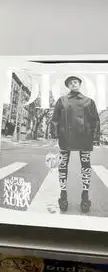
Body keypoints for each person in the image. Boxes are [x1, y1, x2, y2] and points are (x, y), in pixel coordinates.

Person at [51, 76, 100, 214]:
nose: (73, 84)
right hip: (65, 137)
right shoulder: (62, 100)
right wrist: (55, 137)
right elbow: (55, 119)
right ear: (68, 86)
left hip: (84, 137)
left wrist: (95, 137)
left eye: (76, 82)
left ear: (79, 84)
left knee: (86, 166)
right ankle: (63, 195)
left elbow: (95, 120)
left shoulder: (89, 101)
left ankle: (85, 196)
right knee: (62, 166)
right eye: (70, 83)